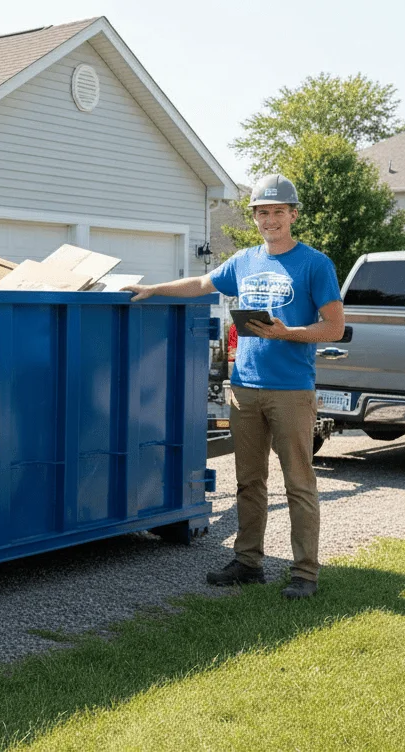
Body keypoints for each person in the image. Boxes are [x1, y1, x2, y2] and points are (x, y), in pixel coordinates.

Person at [123, 174, 344, 599]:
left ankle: (305, 574)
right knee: (248, 481)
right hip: (244, 388)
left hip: (291, 390)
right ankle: (248, 563)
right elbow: (201, 285)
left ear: (293, 215)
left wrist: (287, 333)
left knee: (298, 483)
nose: (270, 219)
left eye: (278, 211)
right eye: (263, 212)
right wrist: (153, 288)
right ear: (255, 217)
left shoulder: (315, 264)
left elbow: (334, 327)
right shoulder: (243, 260)